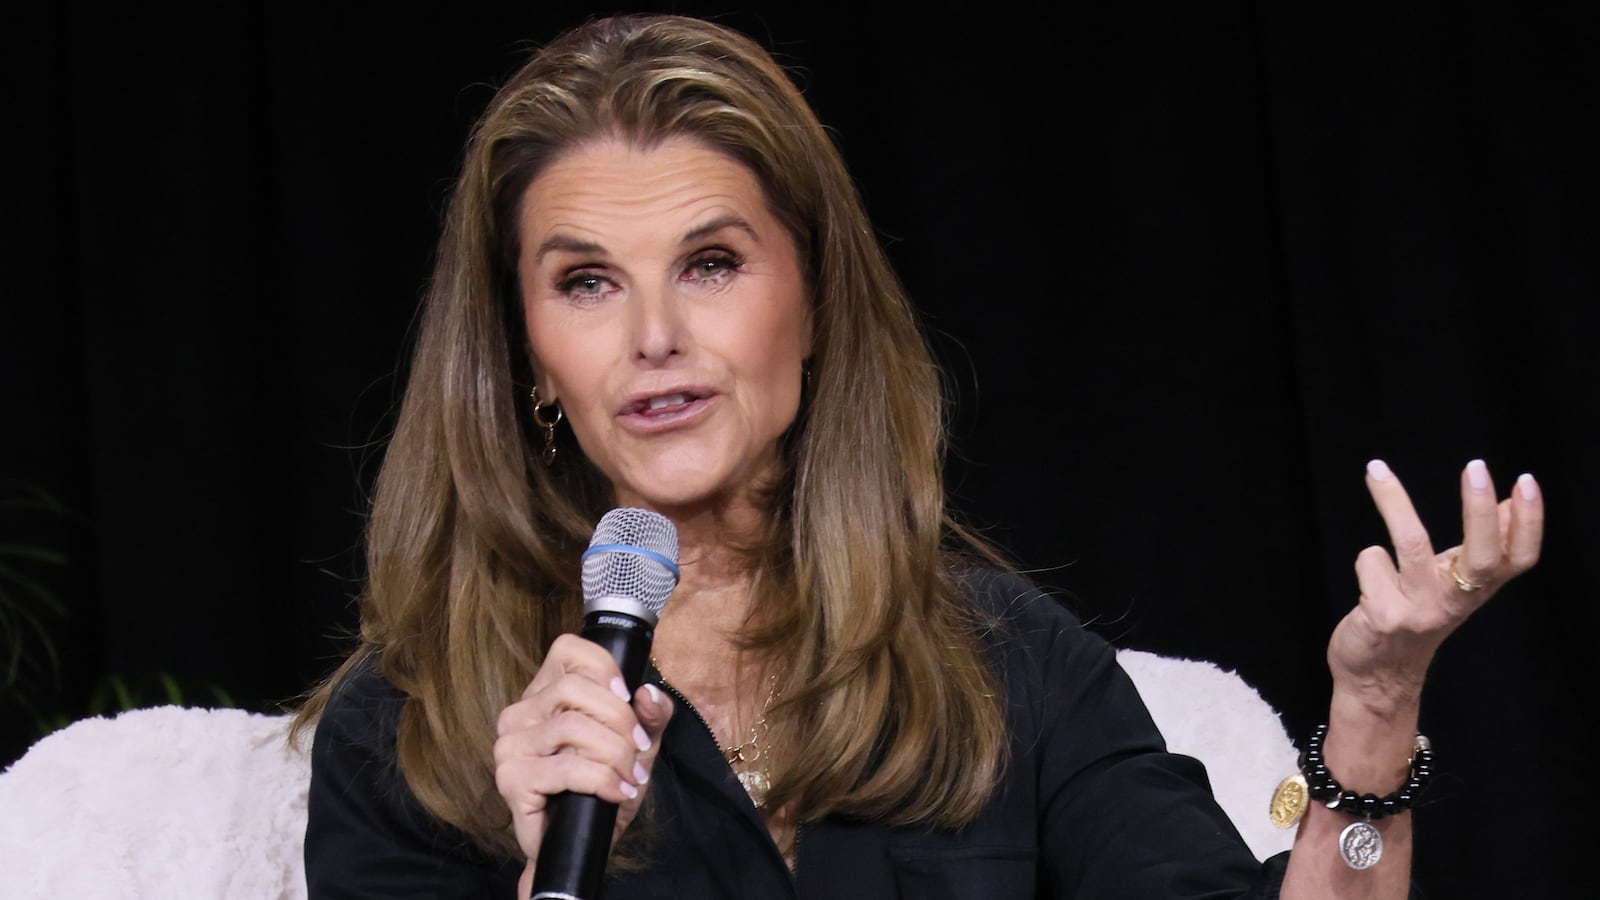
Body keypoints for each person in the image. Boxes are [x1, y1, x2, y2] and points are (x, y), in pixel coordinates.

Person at [292, 12, 1545, 900]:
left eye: (711, 263)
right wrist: (541, 870)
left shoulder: (1003, 665)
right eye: (585, 283)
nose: (655, 338)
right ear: (525, 349)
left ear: (818, 299)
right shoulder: (409, 725)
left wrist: (1374, 711)